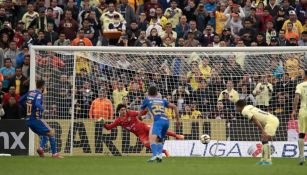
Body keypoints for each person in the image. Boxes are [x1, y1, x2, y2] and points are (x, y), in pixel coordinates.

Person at [103, 104, 184, 157]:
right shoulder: (118, 121)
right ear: (118, 111)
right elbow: (108, 127)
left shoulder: (131, 113)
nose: (124, 111)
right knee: (146, 145)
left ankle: (176, 135)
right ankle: (164, 151)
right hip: (140, 134)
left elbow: (142, 113)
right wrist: (102, 122)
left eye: (124, 109)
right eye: (122, 110)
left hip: (144, 127)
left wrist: (146, 109)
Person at [19, 80, 63, 158]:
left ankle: (41, 149)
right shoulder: (39, 94)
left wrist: (27, 107)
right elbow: (37, 103)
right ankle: (55, 154)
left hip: (29, 120)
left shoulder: (30, 92)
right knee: (51, 133)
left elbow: (20, 101)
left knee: (45, 135)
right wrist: (43, 109)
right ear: (42, 86)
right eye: (45, 86)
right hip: (36, 119)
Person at [138, 86, 180, 162]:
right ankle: (160, 155)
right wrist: (177, 120)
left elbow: (140, 114)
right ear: (157, 93)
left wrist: (140, 117)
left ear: (148, 93)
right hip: (166, 121)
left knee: (151, 139)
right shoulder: (162, 101)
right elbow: (174, 106)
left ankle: (154, 155)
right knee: (159, 139)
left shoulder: (147, 100)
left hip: (158, 121)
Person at [236, 99, 279, 165]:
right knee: (263, 139)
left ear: (239, 106)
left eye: (236, 107)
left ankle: (268, 160)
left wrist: (262, 130)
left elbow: (255, 120)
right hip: (271, 119)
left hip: (271, 121)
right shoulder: (249, 106)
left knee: (264, 138)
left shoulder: (244, 111)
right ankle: (263, 159)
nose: (236, 109)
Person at [291, 69, 307, 165]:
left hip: (303, 111)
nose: (301, 75)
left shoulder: (300, 85)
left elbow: (297, 97)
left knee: (301, 134)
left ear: (305, 75)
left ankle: (301, 156)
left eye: (302, 74)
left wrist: (294, 110)